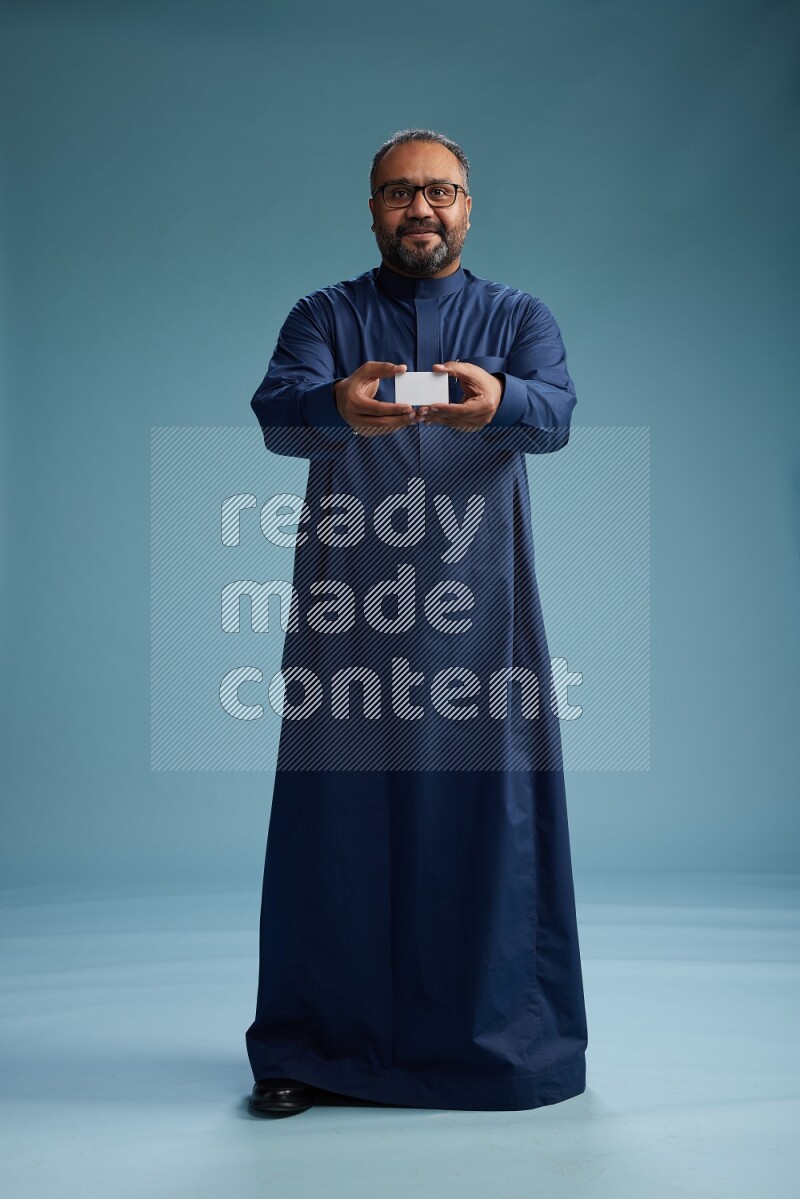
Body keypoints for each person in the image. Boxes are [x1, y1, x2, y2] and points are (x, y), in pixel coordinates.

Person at [245, 129, 588, 1118]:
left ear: (468, 207)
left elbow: (556, 413)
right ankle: (310, 1045)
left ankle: (501, 1046)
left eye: (439, 190)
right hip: (347, 616)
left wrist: (504, 399)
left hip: (480, 620)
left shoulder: (516, 316)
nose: (420, 208)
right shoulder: (325, 314)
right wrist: (337, 402)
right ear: (371, 210)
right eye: (399, 193)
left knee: (489, 825)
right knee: (334, 831)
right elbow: (276, 411)